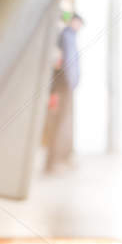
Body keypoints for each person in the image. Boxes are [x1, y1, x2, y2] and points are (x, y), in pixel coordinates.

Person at [44, 12, 83, 173]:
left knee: (63, 124)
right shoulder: (66, 36)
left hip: (67, 86)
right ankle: (53, 162)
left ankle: (60, 159)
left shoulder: (69, 36)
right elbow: (67, 63)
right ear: (72, 22)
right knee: (59, 124)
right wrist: (69, 82)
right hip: (63, 87)